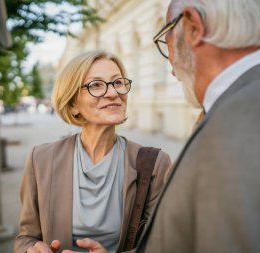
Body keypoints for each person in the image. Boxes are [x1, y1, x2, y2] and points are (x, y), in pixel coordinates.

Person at [135, 0, 260, 252]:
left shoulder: (256, 121)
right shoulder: (258, 99)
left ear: (193, 27)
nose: (171, 65)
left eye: (167, 38)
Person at [14, 50, 171, 253]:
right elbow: (26, 237)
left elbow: (164, 244)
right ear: (72, 105)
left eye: (117, 82)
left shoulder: (154, 163)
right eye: (96, 85)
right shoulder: (41, 159)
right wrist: (32, 250)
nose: (113, 93)